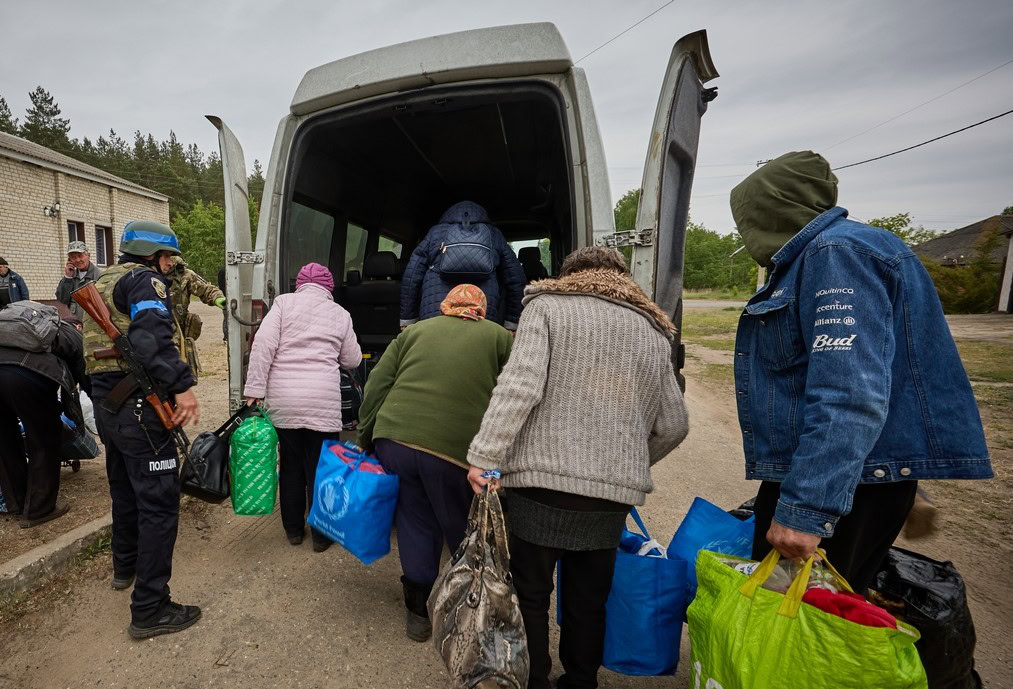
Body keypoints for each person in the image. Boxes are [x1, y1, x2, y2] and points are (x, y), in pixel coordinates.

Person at [729, 151, 993, 592]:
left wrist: (805, 509)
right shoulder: (854, 248)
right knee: (821, 620)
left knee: (799, 632)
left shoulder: (835, 254)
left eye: (748, 215)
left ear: (773, 207)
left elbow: (849, 392)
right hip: (855, 478)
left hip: (843, 487)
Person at [467, 247, 689, 689]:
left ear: (569, 276)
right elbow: (675, 425)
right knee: (589, 601)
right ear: (623, 279)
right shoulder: (654, 330)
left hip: (538, 487)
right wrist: (627, 462)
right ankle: (581, 680)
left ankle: (534, 680)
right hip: (609, 499)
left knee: (530, 595)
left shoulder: (547, 308)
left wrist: (485, 458)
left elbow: (519, 388)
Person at [357, 284, 513, 642]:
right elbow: (513, 395)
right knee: (462, 527)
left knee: (413, 519)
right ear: (481, 309)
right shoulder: (499, 337)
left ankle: (417, 612)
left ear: (445, 306)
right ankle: (463, 607)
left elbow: (377, 385)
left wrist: (367, 436)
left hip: (394, 440)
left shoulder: (413, 332)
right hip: (455, 451)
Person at [83, 219, 202, 640]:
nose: (170, 267)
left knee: (124, 487)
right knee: (159, 503)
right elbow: (152, 341)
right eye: (169, 258)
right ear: (155, 255)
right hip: (137, 407)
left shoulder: (104, 280)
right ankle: (150, 608)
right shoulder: (144, 281)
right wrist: (183, 386)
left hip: (108, 403)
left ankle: (125, 566)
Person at [243, 262, 362, 551]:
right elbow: (352, 360)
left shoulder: (282, 304)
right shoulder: (340, 314)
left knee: (292, 467)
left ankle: (294, 530)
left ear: (299, 284)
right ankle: (322, 537)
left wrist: (254, 390)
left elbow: (263, 346)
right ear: (329, 288)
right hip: (322, 402)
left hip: (285, 402)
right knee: (322, 469)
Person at [0, 313, 84, 527]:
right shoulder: (71, 332)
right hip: (27, 376)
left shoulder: (18, 325)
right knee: (44, 439)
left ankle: (17, 503)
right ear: (78, 325)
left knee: (5, 441)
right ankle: (39, 509)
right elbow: (82, 373)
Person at [400, 200, 526, 331]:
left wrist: (408, 320)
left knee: (434, 346)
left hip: (435, 312)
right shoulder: (494, 235)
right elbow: (516, 280)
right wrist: (512, 323)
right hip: (483, 314)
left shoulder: (434, 233)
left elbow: (412, 278)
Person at [158, 254, 225, 377]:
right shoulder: (145, 275)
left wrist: (217, 298)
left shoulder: (184, 274)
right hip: (154, 335)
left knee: (181, 377)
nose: (168, 263)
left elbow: (205, 289)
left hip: (178, 336)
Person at [56, 241, 103, 319]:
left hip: (93, 326)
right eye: (73, 257)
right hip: (75, 325)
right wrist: (68, 277)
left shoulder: (99, 275)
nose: (77, 260)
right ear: (69, 260)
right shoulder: (71, 277)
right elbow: (62, 299)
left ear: (88, 255)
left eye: (80, 256)